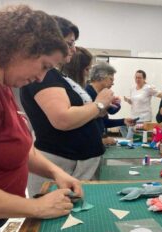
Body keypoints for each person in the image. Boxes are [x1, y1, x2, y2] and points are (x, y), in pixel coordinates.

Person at [0, 5, 83, 232]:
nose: (41, 77)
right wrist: (38, 207)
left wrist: (55, 172)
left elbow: (12, 145)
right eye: (45, 66)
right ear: (21, 47)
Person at [20, 17, 115, 196]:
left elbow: (79, 115)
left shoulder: (57, 76)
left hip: (73, 163)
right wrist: (99, 103)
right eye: (69, 43)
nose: (73, 49)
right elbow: (63, 119)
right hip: (63, 162)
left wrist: (99, 107)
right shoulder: (45, 75)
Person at [122, 70, 162, 138]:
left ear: (144, 79)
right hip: (133, 118)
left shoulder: (148, 88)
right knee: (129, 137)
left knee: (134, 139)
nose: (137, 79)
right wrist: (128, 100)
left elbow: (161, 95)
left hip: (144, 119)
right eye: (136, 77)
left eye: (140, 78)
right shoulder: (132, 88)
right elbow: (133, 102)